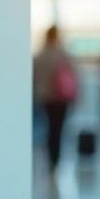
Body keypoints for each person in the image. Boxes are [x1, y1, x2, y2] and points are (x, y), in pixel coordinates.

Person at [34, 26, 77, 172]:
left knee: (48, 128)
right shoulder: (63, 55)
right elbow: (73, 77)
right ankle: (55, 160)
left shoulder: (40, 55)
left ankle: (50, 159)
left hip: (44, 98)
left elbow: (34, 78)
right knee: (57, 129)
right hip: (61, 98)